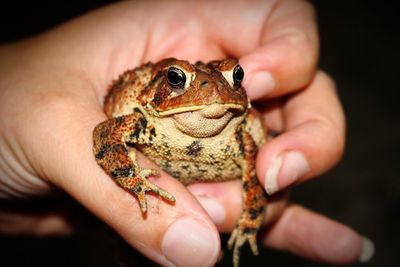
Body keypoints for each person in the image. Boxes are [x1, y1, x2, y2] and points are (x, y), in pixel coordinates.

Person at [0, 1, 374, 266]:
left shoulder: (237, 133)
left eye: (236, 78)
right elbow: (104, 135)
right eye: (180, 80)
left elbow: (257, 175)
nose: (212, 91)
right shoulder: (143, 122)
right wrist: (131, 181)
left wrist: (249, 220)